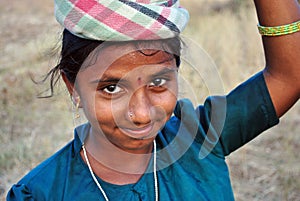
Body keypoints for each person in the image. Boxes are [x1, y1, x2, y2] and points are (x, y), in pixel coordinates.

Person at [7, 0, 299, 200]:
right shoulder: (41, 193)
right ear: (74, 88)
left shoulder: (202, 139)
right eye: (111, 88)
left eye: (158, 83)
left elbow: (290, 76)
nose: (142, 114)